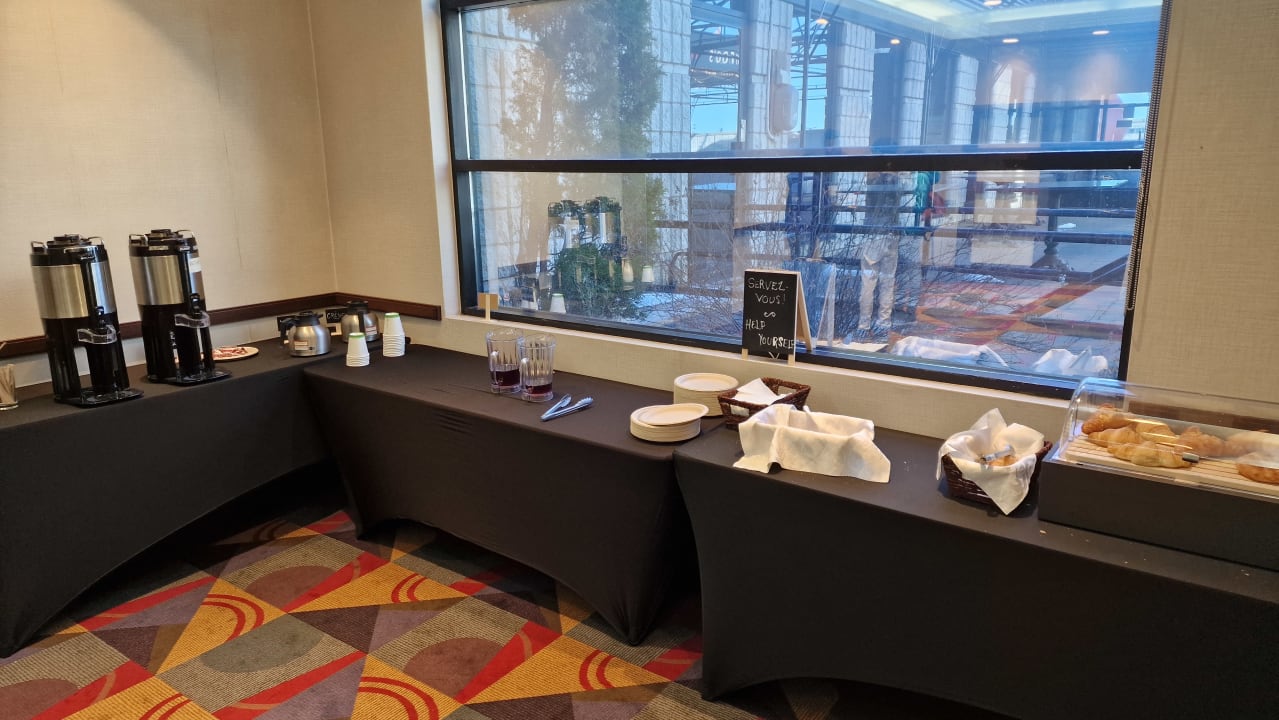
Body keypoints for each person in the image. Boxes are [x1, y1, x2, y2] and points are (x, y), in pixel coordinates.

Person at [853, 170, 902, 341]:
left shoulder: (873, 184)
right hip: (891, 235)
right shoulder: (897, 183)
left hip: (873, 235)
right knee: (887, 283)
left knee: (868, 284)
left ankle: (863, 326)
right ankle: (883, 324)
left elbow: (870, 208)